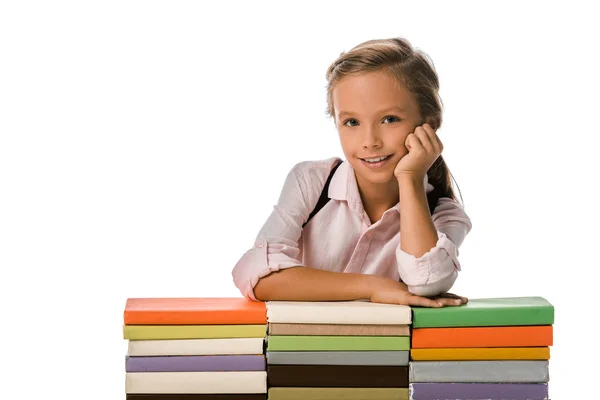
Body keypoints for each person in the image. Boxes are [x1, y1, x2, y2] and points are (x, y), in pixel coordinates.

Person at [232, 37, 472, 308]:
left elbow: (427, 281)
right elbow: (255, 272)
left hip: (384, 350)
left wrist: (411, 179)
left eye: (389, 119)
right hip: (298, 348)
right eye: (352, 122)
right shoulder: (311, 182)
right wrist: (373, 287)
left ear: (428, 125)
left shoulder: (443, 212)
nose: (370, 140)